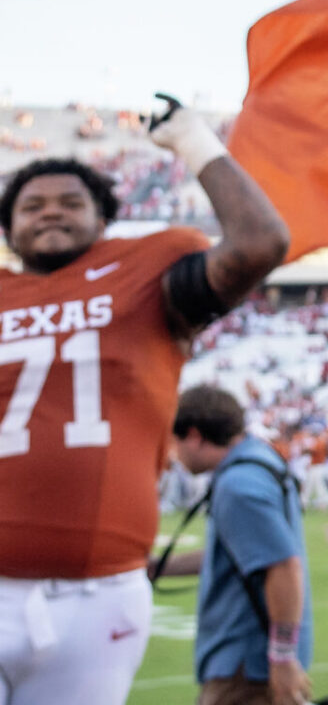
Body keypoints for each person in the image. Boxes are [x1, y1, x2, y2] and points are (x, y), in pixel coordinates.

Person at [0, 103, 289, 705]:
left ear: (104, 220)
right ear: (8, 231)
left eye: (70, 202)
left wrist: (193, 141)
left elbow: (261, 242)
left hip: (99, 591)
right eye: (32, 205)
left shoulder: (140, 276)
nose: (50, 210)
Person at [168, 385, 313, 705]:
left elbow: (283, 566)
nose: (174, 451)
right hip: (251, 660)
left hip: (246, 662)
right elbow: (246, 554)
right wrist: (158, 567)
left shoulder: (238, 484)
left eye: (175, 440)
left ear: (193, 435)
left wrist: (282, 657)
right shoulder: (257, 460)